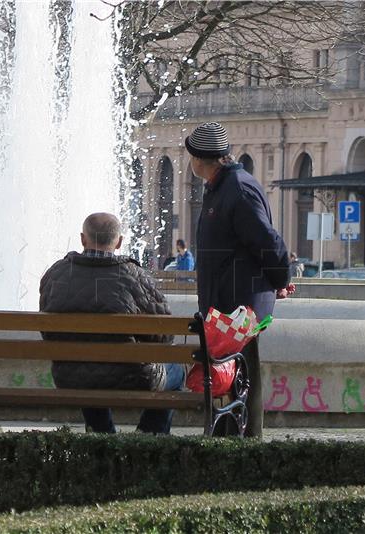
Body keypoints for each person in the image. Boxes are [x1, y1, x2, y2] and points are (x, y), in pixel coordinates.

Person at [186, 121, 290, 438]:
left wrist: (279, 279)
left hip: (239, 306)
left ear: (201, 159)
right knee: (228, 378)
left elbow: (268, 241)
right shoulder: (220, 187)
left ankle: (245, 443)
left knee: (241, 377)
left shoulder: (237, 190)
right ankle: (228, 440)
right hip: (226, 302)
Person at [39, 212, 185, 434]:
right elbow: (165, 335)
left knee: (88, 366)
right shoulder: (134, 276)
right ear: (119, 242)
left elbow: (48, 331)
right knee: (178, 372)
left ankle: (101, 434)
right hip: (132, 376)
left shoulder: (56, 273)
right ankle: (147, 436)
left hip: (71, 375)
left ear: (82, 239)